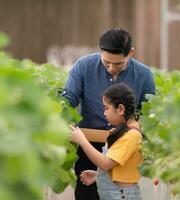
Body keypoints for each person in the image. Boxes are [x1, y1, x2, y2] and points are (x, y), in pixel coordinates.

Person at [62, 28, 155, 200]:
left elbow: (147, 113)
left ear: (131, 53)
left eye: (118, 64)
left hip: (123, 148)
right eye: (106, 62)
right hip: (90, 147)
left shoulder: (144, 75)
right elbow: (69, 99)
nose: (111, 68)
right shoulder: (83, 66)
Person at [70, 83, 143, 200]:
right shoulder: (128, 131)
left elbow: (105, 163)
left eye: (106, 108)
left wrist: (82, 141)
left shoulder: (131, 136)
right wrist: (99, 176)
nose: (104, 113)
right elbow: (120, 168)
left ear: (120, 109)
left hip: (121, 196)